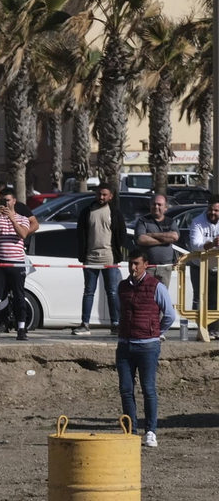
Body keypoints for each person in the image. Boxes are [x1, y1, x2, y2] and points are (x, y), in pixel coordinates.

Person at [116, 249, 178, 448]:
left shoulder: (156, 286)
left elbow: (170, 314)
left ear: (145, 265)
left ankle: (150, 431)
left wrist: (157, 332)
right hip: (125, 345)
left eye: (136, 263)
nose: (132, 267)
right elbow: (120, 310)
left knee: (148, 388)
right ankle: (130, 430)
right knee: (126, 390)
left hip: (147, 345)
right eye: (130, 263)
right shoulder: (122, 286)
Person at [73, 184, 130, 336]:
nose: (101, 197)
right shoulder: (87, 211)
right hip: (90, 258)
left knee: (112, 292)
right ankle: (85, 324)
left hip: (109, 258)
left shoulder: (115, 213)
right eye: (99, 194)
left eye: (105, 194)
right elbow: (80, 233)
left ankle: (115, 324)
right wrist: (83, 253)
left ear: (110, 196)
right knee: (88, 292)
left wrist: (115, 249)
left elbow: (122, 235)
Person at [0, 187, 35, 341]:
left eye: (8, 200)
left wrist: (12, 219)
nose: (5, 203)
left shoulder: (22, 218)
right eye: (3, 200)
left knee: (19, 296)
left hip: (16, 262)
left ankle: (21, 328)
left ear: (14, 201)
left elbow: (23, 234)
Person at [133, 193, 179, 288]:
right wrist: (165, 240)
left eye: (159, 204)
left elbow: (174, 237)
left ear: (165, 208)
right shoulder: (142, 221)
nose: (156, 207)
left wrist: (151, 234)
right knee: (146, 294)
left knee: (162, 295)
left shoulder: (171, 222)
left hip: (165, 268)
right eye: (154, 204)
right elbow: (141, 239)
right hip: (147, 267)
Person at [188, 197, 219, 327]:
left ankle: (214, 329)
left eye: (216, 210)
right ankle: (200, 328)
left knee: (215, 299)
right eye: (210, 209)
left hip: (217, 267)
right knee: (199, 297)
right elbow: (195, 245)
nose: (212, 213)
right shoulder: (197, 221)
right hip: (199, 266)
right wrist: (212, 244)